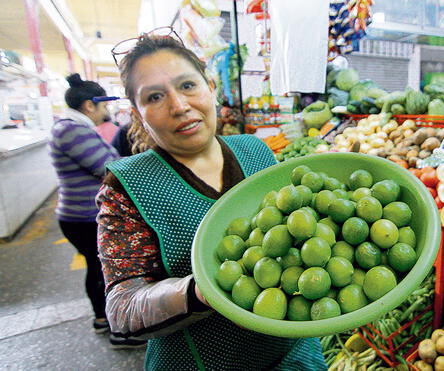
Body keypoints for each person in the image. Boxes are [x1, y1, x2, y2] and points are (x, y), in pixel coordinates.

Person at [96, 29, 326, 370]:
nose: (179, 106)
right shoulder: (128, 186)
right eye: (155, 97)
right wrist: (200, 291)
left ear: (211, 87)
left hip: (294, 356)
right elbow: (122, 310)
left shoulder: (255, 151)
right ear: (137, 112)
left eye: (188, 85)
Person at [49, 74, 121, 336]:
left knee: (97, 266)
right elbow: (109, 168)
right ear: (89, 106)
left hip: (78, 215)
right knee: (102, 269)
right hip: (83, 217)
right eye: (103, 106)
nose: (106, 112)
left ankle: (104, 320)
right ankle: (111, 325)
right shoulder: (72, 130)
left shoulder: (67, 127)